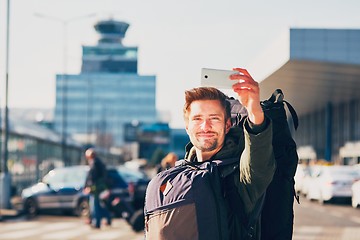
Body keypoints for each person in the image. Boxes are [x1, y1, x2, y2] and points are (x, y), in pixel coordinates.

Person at [147, 68, 276, 239]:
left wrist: (254, 112)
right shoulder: (179, 175)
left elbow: (258, 162)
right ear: (187, 127)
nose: (205, 127)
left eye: (214, 118)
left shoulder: (240, 174)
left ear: (227, 125)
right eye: (197, 119)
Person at [83, 148, 112, 229]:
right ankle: (107, 218)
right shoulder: (98, 162)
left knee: (95, 206)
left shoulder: (94, 163)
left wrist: (89, 187)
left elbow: (92, 177)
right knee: (98, 205)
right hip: (98, 188)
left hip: (95, 188)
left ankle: (96, 223)